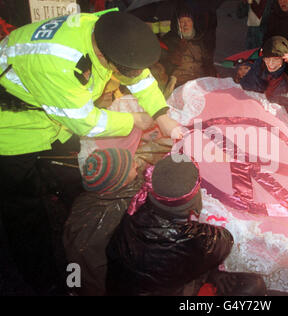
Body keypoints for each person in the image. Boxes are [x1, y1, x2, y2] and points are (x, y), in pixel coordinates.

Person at [0, 11, 180, 294]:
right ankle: (43, 279)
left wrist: (161, 114)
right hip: (11, 127)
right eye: (126, 71)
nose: (133, 75)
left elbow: (138, 75)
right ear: (107, 58)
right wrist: (133, 120)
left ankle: (80, 221)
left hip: (49, 116)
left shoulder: (111, 30)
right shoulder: (59, 63)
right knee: (24, 212)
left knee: (68, 174)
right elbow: (84, 121)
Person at [106, 154, 267, 296]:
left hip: (124, 288)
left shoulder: (133, 211)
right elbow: (225, 240)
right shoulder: (191, 239)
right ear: (194, 201)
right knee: (254, 285)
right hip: (165, 290)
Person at [63, 148, 144, 296]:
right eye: (131, 165)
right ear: (119, 182)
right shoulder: (120, 211)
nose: (136, 165)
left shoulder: (84, 199)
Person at [238, 35, 288, 108]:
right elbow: (247, 87)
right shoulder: (261, 63)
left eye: (276, 59)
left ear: (284, 59)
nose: (271, 64)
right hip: (266, 109)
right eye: (268, 59)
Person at [159, 7, 217, 88]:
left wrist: (212, 74)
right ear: (177, 24)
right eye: (182, 21)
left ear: (193, 23)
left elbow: (207, 61)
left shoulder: (200, 38)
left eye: (188, 21)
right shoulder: (169, 40)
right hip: (180, 82)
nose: (186, 24)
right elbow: (166, 65)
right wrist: (179, 49)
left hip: (200, 80)